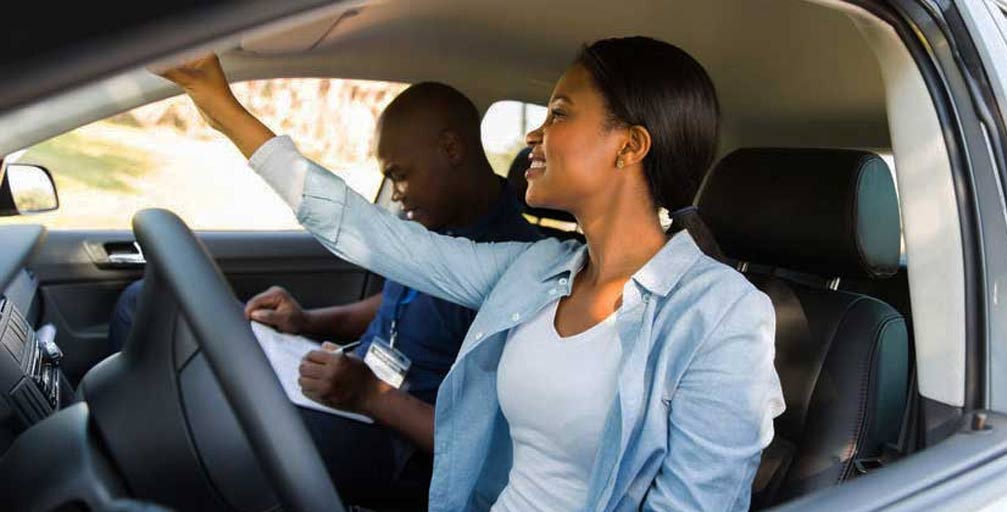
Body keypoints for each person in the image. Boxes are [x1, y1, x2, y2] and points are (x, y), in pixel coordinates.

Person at [159, 36, 785, 511]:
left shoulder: (722, 314)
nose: (534, 134)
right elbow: (365, 231)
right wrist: (220, 106)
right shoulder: (535, 269)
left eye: (559, 113)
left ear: (630, 146)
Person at [108, 80, 540, 509]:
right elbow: (404, 304)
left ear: (451, 149)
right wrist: (307, 321)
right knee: (143, 304)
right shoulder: (432, 224)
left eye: (400, 174)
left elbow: (486, 447)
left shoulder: (520, 268)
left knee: (222, 417)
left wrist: (372, 395)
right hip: (352, 389)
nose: (395, 194)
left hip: (400, 444)